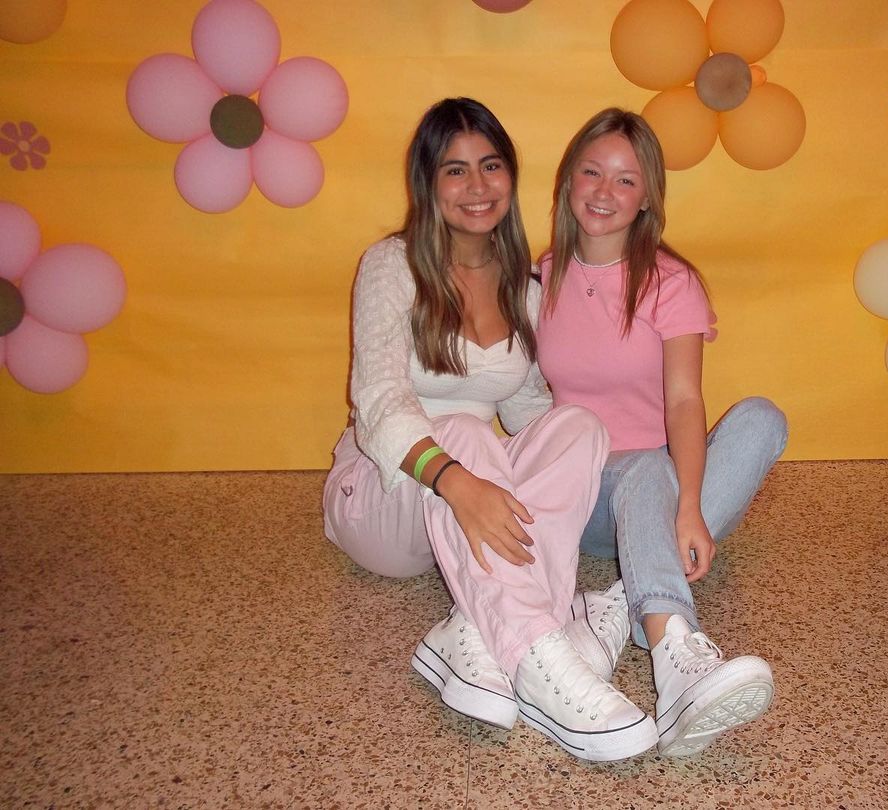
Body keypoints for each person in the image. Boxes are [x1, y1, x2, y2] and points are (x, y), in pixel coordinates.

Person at [321, 98, 657, 762]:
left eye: (491, 166)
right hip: (384, 499)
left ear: (510, 175)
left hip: (467, 502)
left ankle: (475, 629)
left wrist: (606, 470)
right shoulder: (392, 265)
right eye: (455, 170)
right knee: (465, 432)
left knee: (577, 426)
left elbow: (530, 409)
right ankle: (544, 657)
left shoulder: (523, 289)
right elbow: (379, 399)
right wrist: (458, 482)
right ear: (427, 182)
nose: (477, 186)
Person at [536, 108, 789, 758]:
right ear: (567, 181)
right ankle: (674, 654)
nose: (604, 191)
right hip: (588, 497)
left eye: (626, 180)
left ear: (647, 197)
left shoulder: (671, 283)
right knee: (646, 466)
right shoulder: (543, 276)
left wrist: (689, 507)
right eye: (591, 172)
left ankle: (630, 593)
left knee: (762, 418)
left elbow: (683, 403)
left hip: (659, 487)